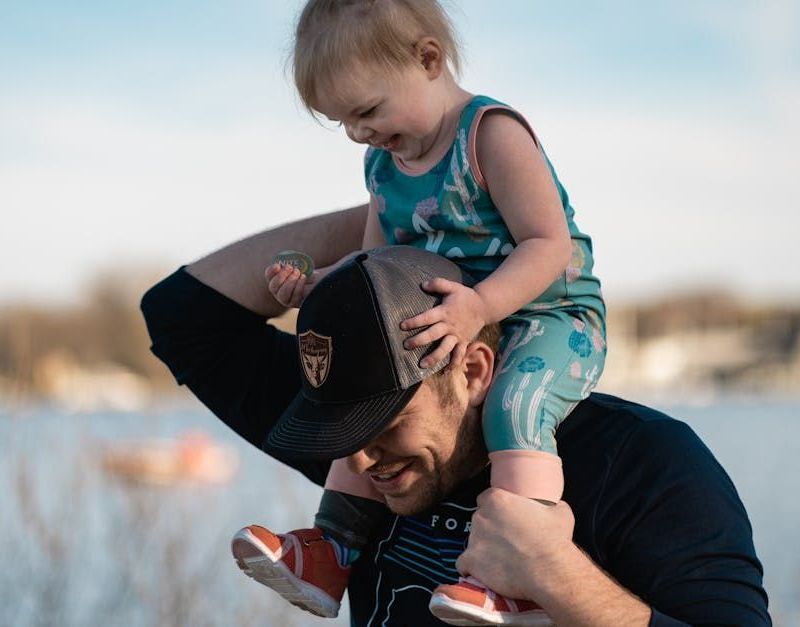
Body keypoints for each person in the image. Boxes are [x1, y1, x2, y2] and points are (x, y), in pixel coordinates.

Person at [141, 220, 772, 626]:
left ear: (472, 371)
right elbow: (182, 316)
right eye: (341, 432)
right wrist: (403, 209)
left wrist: (558, 576)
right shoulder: (363, 463)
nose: (359, 460)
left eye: (382, 420)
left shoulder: (644, 463)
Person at [241, 1, 607, 622]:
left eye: (367, 111)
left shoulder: (491, 134)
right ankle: (332, 551)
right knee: (363, 396)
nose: (360, 133)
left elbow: (549, 245)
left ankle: (518, 577)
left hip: (550, 319)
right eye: (343, 123)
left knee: (513, 404)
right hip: (454, 320)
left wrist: (481, 306)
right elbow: (376, 262)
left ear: (428, 59)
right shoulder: (383, 164)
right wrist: (320, 282)